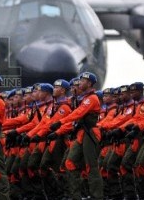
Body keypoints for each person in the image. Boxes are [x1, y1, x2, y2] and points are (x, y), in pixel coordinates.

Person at [50, 72, 104, 200]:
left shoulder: (92, 98)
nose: (79, 83)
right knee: (70, 163)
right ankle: (76, 196)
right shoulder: (84, 99)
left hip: (90, 133)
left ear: (90, 83)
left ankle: (97, 196)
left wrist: (60, 122)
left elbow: (78, 113)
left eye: (83, 81)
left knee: (91, 166)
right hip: (82, 133)